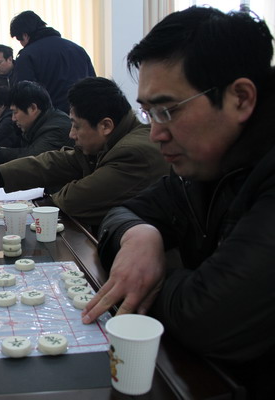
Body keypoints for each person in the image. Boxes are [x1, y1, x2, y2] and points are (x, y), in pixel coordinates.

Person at [80, 7, 275, 398]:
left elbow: (208, 317)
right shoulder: (201, 166)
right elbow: (122, 213)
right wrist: (140, 235)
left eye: (167, 110)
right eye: (148, 112)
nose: (155, 133)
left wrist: (149, 276)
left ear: (240, 98)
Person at [0, 77, 168, 233]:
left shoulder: (133, 152)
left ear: (105, 126)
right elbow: (55, 161)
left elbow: (76, 199)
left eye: (76, 126)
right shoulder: (111, 139)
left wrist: (17, 208)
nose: (71, 134)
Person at [10, 10, 96, 114]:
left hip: (51, 119)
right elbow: (93, 84)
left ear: (25, 35)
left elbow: (23, 95)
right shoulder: (77, 49)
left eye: (19, 40)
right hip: (82, 115)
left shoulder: (27, 56)